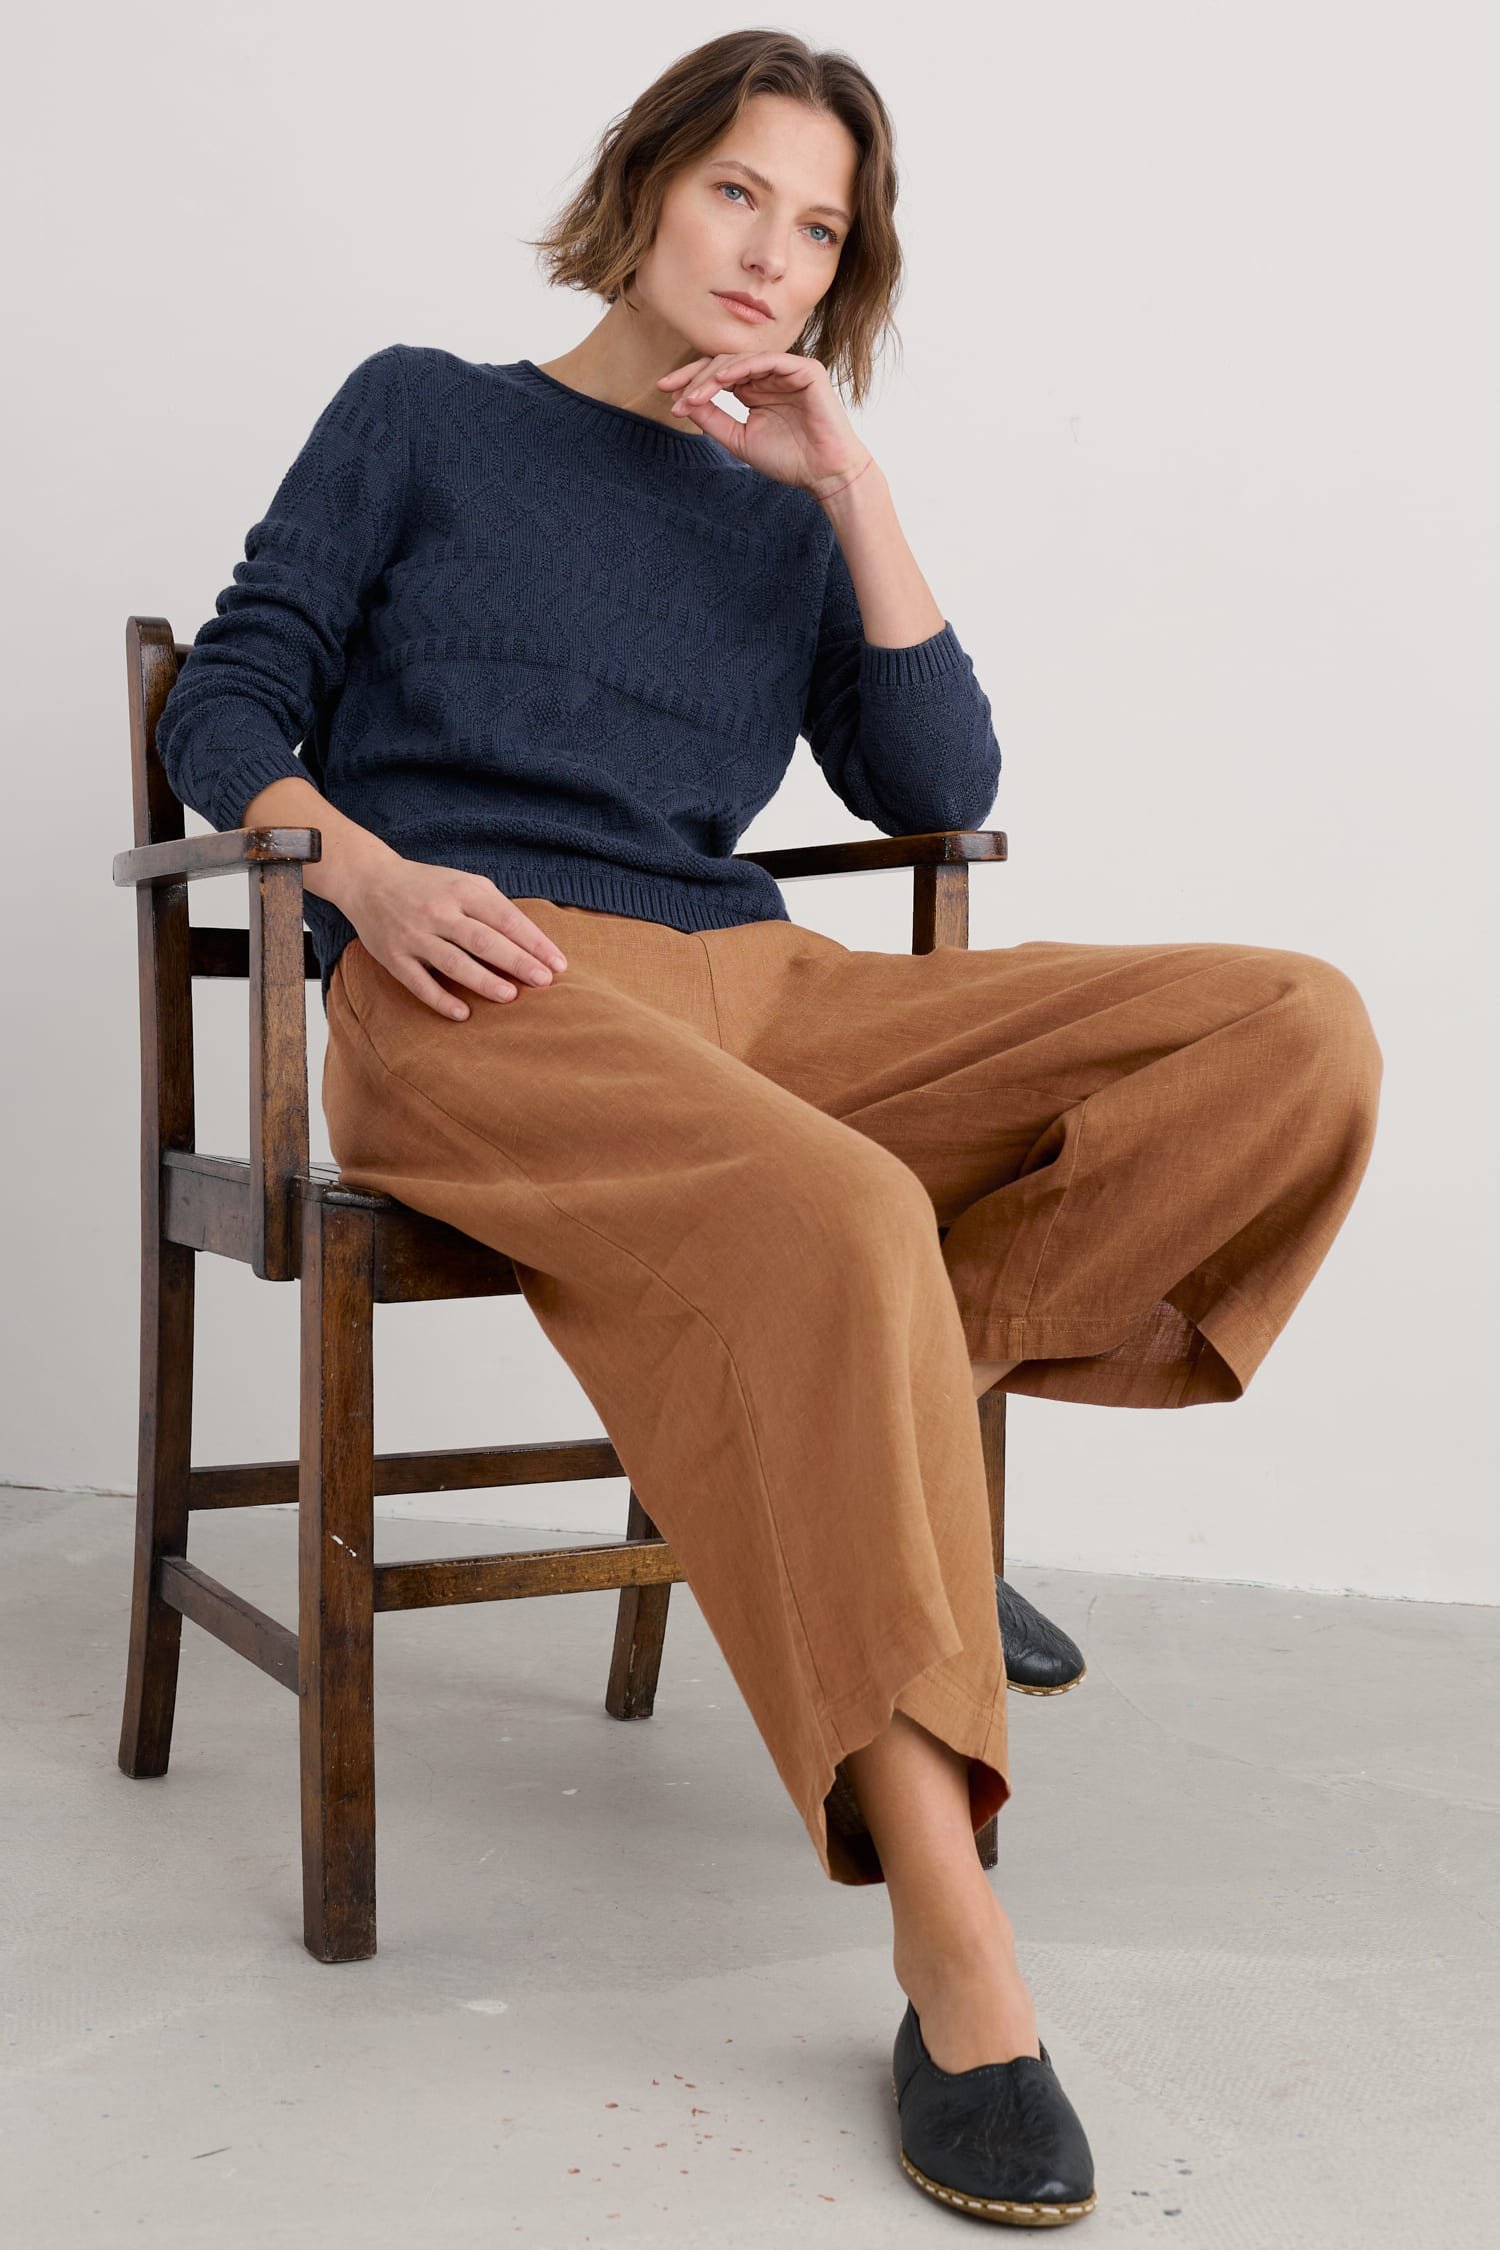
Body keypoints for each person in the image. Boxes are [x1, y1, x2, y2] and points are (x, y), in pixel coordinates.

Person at [154, 29, 1383, 2229]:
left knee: (1294, 1029)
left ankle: (905, 1420)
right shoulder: (421, 408)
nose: (772, 255)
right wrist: (369, 878)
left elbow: (936, 784)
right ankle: (957, 1953)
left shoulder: (785, 508)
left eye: (821, 232)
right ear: (643, 185)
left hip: (768, 990)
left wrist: (851, 491)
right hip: (486, 981)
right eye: (741, 193)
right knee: (839, 1213)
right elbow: (231, 695)